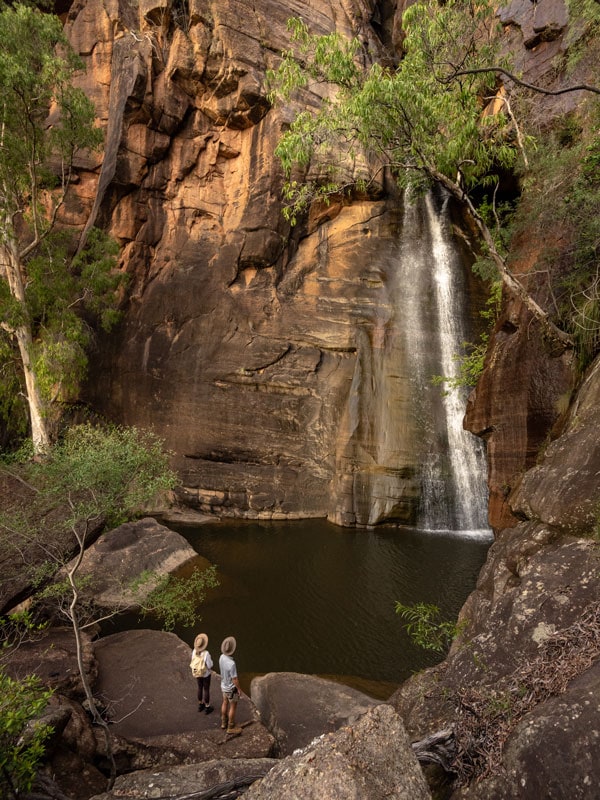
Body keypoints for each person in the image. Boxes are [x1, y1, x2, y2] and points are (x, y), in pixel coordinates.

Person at [219, 636, 243, 734]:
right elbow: (235, 679)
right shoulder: (232, 663)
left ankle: (223, 723)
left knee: (224, 702)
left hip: (223, 686)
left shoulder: (221, 657)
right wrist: (239, 689)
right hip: (231, 689)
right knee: (233, 707)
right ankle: (231, 727)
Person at [190, 633, 214, 714]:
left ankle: (200, 704)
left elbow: (193, 661)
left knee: (200, 687)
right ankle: (207, 706)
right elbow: (210, 665)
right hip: (206, 674)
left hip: (198, 673)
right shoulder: (206, 653)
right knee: (206, 689)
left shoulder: (194, 651)